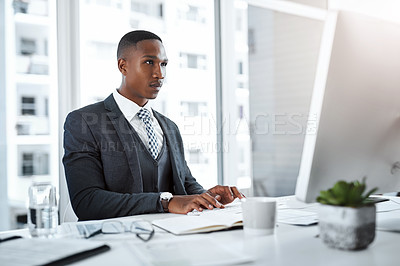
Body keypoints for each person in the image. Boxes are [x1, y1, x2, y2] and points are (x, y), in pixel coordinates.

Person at [63, 30, 244, 221]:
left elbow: (185, 185)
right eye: (149, 62)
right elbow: (86, 202)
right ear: (123, 66)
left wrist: (209, 197)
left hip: (171, 237)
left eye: (163, 64)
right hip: (117, 241)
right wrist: (164, 202)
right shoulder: (83, 122)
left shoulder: (170, 127)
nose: (160, 74)